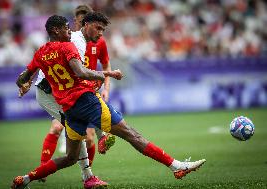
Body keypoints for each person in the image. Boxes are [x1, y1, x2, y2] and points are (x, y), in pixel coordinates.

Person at [12, 14, 206, 189]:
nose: (69, 30)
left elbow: (22, 77)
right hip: (86, 101)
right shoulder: (67, 46)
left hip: (69, 110)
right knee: (132, 135)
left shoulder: (40, 53)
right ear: (56, 30)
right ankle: (176, 166)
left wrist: (24, 83)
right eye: (66, 27)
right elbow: (80, 71)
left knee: (71, 157)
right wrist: (107, 74)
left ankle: (26, 178)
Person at [35, 5, 114, 187]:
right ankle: (86, 175)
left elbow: (102, 65)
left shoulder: (93, 42)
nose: (77, 25)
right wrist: (98, 78)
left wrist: (103, 85)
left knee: (82, 133)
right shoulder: (74, 41)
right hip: (54, 92)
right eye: (79, 20)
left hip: (70, 89)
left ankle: (88, 173)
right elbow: (76, 72)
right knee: (70, 129)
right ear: (82, 23)